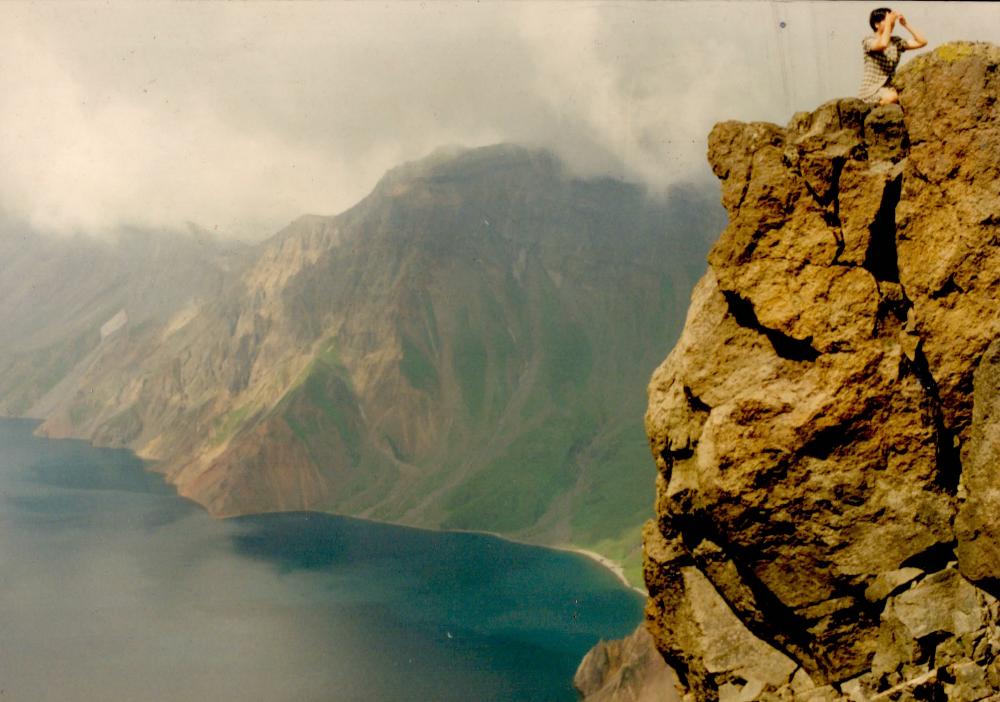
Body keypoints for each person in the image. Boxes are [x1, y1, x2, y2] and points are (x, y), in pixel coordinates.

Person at [859, 8, 928, 105]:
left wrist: (905, 25)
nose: (891, 23)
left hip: (889, 87)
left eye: (892, 21)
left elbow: (922, 42)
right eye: (886, 20)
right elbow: (883, 44)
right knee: (893, 97)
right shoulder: (868, 41)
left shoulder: (896, 42)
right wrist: (888, 23)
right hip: (872, 90)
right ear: (876, 24)